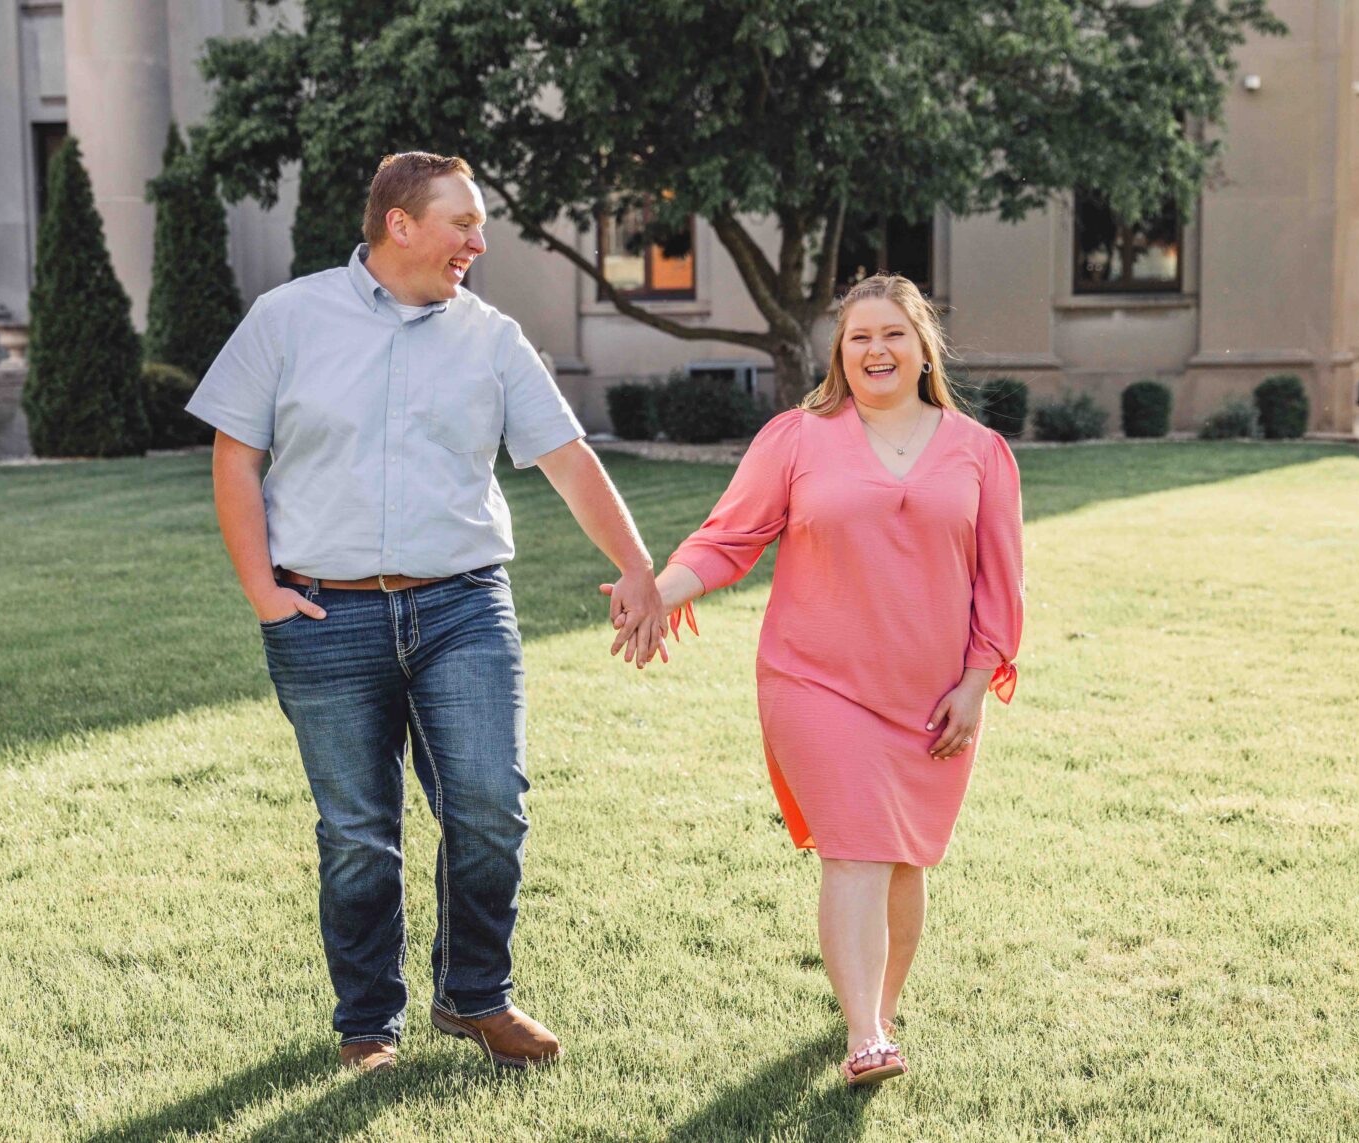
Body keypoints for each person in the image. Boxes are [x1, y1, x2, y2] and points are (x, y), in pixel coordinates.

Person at [187, 151, 669, 1073]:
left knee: (491, 806)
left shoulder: (492, 336)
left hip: (462, 606)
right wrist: (263, 592)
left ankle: (475, 996)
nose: (479, 243)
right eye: (464, 223)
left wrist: (638, 566)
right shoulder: (287, 318)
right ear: (400, 224)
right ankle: (368, 1022)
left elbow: (568, 458)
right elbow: (235, 454)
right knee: (358, 835)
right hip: (324, 614)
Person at [623, 274, 1023, 1086]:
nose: (876, 349)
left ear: (924, 349)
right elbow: (729, 538)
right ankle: (866, 1033)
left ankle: (879, 1009)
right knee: (856, 849)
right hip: (815, 681)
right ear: (840, 354)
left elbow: (1000, 581)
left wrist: (977, 683)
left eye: (893, 334)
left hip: (931, 696)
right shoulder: (797, 438)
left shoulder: (980, 451)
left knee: (904, 860)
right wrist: (660, 592)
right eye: (858, 336)